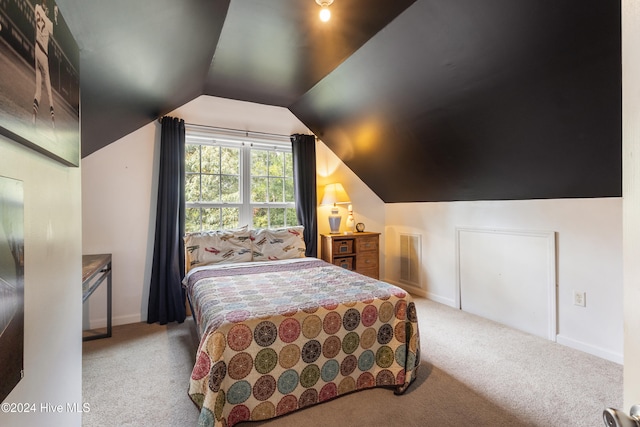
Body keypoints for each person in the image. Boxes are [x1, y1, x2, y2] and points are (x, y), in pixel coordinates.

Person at [32, 0, 58, 129]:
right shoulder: (48, 23)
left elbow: (40, 6)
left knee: (38, 89)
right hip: (44, 54)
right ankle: (53, 122)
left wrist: (44, 7)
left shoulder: (37, 8)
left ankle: (33, 119)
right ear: (46, 9)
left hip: (36, 49)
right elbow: (54, 28)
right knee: (48, 90)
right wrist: (55, 15)